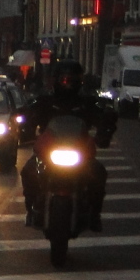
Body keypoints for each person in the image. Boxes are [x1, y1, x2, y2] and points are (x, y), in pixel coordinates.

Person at [20, 63, 107, 230]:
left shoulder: (87, 103)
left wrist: (104, 132)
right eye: (65, 80)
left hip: (80, 153)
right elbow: (27, 115)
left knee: (98, 172)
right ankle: (30, 210)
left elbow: (104, 117)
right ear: (57, 81)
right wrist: (25, 128)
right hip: (49, 152)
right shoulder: (44, 101)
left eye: (74, 81)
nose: (69, 84)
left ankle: (95, 215)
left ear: (81, 82)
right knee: (28, 171)